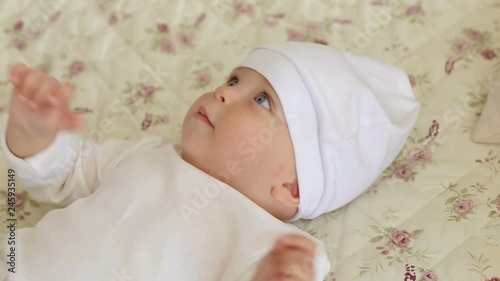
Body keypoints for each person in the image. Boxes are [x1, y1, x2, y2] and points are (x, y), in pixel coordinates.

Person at [0, 41, 420, 281]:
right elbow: (63, 173)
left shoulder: (276, 247)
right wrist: (34, 132)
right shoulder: (148, 155)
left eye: (261, 100)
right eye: (234, 79)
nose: (223, 92)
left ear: (293, 185)